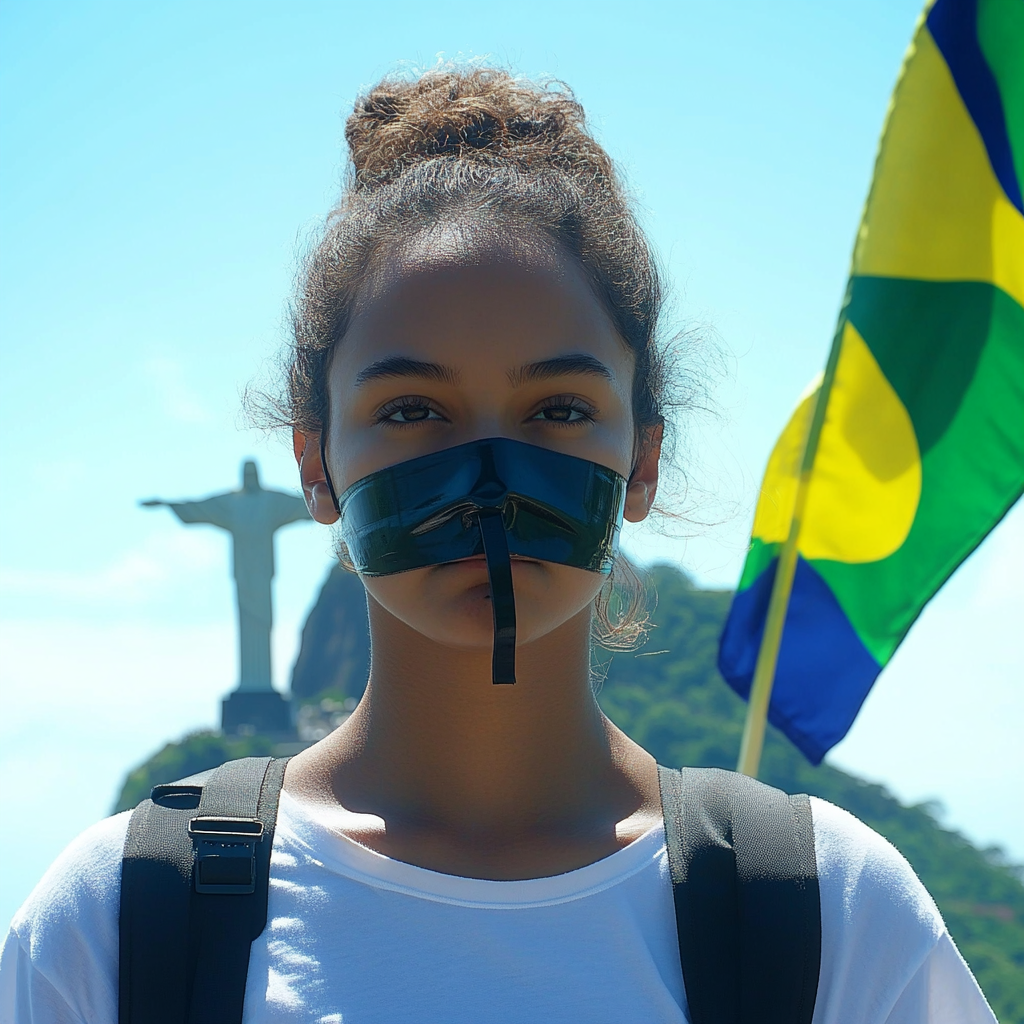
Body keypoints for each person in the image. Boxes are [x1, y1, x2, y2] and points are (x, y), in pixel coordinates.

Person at [0, 66, 996, 1024]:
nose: (488, 477)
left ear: (641, 460)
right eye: (412, 409)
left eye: (558, 408)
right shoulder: (121, 921)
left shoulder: (830, 918)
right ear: (317, 462)